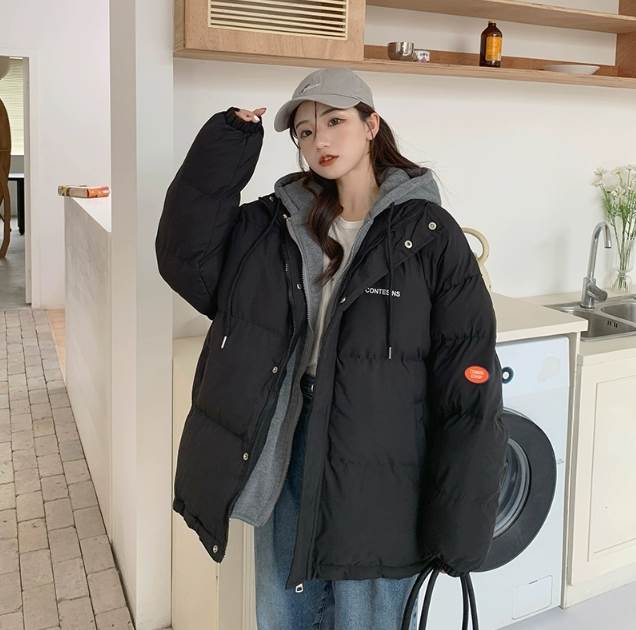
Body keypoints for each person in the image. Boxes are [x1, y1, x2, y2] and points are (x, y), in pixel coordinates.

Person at [155, 67, 508, 630]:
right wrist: (226, 145)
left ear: (371, 125)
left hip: (385, 468)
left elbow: (467, 385)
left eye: (335, 121)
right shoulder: (275, 225)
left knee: (369, 618)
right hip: (288, 449)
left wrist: (460, 523)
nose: (319, 139)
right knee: (285, 616)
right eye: (304, 131)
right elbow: (186, 259)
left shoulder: (432, 236)